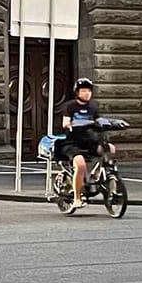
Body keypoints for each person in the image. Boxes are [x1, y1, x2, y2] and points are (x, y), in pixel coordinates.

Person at [56, 77, 111, 212]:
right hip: (72, 143)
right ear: (77, 92)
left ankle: (99, 176)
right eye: (84, 91)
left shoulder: (93, 106)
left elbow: (99, 120)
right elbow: (65, 123)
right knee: (80, 164)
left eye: (89, 91)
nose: (87, 93)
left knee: (109, 148)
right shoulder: (70, 106)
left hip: (89, 141)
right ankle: (77, 198)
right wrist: (73, 125)